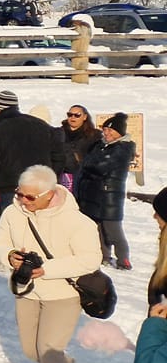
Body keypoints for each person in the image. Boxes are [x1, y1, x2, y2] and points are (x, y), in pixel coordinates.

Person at [0, 165, 104, 363]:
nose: (23, 200)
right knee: (32, 351)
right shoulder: (12, 212)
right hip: (27, 291)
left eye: (30, 197)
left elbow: (91, 260)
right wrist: (9, 255)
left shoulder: (77, 221)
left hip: (63, 294)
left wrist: (47, 269)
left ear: (50, 194)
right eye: (19, 193)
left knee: (50, 350)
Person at [0, 90, 59, 220]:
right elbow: (58, 156)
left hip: (10, 186)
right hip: (40, 186)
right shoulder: (41, 125)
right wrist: (51, 178)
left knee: (14, 223)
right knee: (40, 223)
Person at [75, 113, 136, 268]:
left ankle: (123, 260)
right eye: (105, 130)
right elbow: (87, 162)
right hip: (95, 194)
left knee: (112, 230)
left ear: (120, 132)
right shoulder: (100, 145)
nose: (107, 133)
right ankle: (104, 256)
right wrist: (89, 165)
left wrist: (88, 165)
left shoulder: (123, 148)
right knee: (99, 229)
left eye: (111, 130)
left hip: (110, 196)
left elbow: (101, 167)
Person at [55, 104, 101, 181]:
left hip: (84, 177)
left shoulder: (94, 135)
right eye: (70, 114)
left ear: (85, 117)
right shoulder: (58, 133)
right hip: (60, 176)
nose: (73, 117)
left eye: (77, 115)